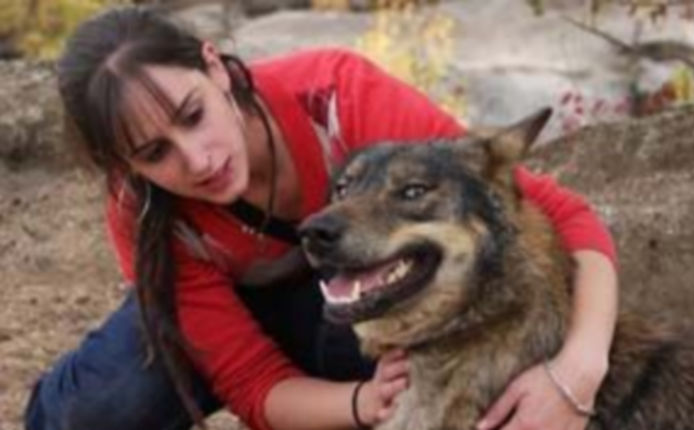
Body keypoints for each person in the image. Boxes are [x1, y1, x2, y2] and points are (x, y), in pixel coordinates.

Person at [24, 5, 619, 430]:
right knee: (100, 408)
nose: (198, 158)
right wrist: (363, 403)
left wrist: (578, 371)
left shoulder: (337, 94)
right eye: (155, 154)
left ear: (214, 67)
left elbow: (565, 217)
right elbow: (251, 382)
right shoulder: (144, 210)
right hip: (233, 327)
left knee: (385, 333)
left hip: (353, 295)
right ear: (122, 165)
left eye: (193, 113)